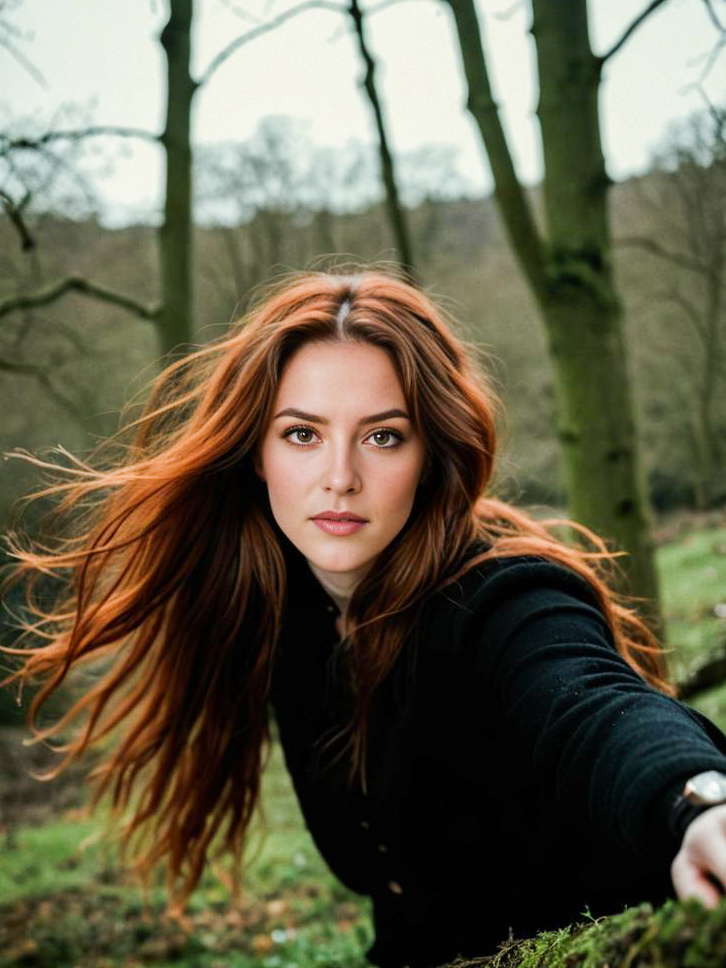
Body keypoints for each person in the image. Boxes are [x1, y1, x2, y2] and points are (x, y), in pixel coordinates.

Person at [4, 267, 726, 968]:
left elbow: (592, 702)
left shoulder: (505, 599)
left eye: (383, 436)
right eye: (301, 434)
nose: (340, 476)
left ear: (430, 453)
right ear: (256, 455)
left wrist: (699, 803)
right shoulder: (279, 609)